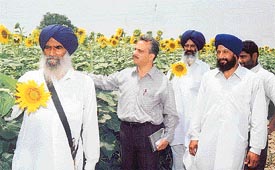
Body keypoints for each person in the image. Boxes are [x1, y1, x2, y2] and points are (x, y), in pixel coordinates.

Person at [8, 24, 100, 170]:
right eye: (47, 47)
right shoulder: (28, 79)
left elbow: (90, 126)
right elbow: (10, 115)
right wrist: (4, 99)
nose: (52, 53)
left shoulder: (84, 83)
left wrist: (90, 162)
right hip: (31, 161)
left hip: (66, 161)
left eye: (58, 48)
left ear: (68, 51)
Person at [90, 35, 179, 170]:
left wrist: (167, 137)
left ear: (151, 56)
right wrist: (78, 75)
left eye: (140, 51)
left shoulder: (162, 81)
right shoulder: (125, 75)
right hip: (126, 131)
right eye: (135, 49)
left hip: (149, 133)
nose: (135, 53)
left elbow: (170, 113)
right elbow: (104, 81)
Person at [188, 34, 267, 170]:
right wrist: (195, 136)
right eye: (218, 52)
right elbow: (199, 109)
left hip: (234, 145)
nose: (221, 56)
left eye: (225, 52)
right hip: (207, 142)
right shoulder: (209, 78)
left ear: (235, 54)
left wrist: (256, 148)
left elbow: (258, 118)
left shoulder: (252, 80)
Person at [167, 30, 210, 170]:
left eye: (192, 46)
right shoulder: (174, 68)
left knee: (194, 162)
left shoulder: (205, 69)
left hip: (195, 124)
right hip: (177, 123)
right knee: (178, 161)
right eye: (187, 45)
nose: (189, 49)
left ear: (198, 48)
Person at [239, 40, 275, 170]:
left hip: (256, 134)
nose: (240, 61)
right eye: (238, 56)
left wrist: (271, 124)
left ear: (255, 56)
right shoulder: (239, 76)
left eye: (243, 57)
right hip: (238, 133)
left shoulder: (266, 77)